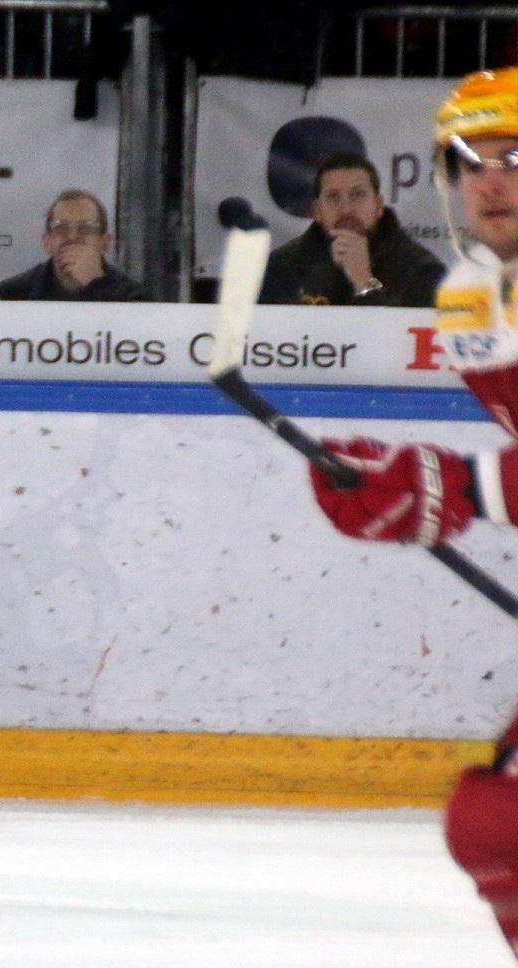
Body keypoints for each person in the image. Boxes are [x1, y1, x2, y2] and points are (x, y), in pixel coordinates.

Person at [302, 67, 518, 961]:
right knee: (498, 823)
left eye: (515, 157)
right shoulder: (475, 300)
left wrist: (453, 489)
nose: (490, 180)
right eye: (470, 160)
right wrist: (403, 482)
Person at [259, 152, 445, 307]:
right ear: (317, 211)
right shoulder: (282, 267)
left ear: (378, 205)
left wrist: (364, 282)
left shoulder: (421, 270)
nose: (346, 209)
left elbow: (403, 337)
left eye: (357, 195)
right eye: (333, 197)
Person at [0, 189, 149, 301]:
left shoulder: (134, 300)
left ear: (104, 243)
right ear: (46, 242)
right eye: (61, 228)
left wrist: (95, 285)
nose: (72, 237)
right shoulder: (9, 297)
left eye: (86, 228)